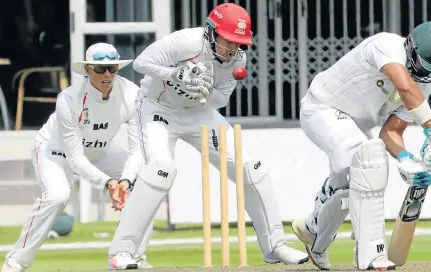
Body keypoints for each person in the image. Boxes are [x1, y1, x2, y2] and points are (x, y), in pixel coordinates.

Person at [106, 3, 309, 270]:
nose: (233, 49)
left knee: (252, 169)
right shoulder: (185, 41)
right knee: (160, 171)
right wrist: (174, 75)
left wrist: (200, 90)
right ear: (211, 32)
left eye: (239, 43)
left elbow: (220, 100)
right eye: (229, 41)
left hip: (200, 112)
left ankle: (275, 246)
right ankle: (121, 252)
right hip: (158, 108)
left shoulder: (238, 59)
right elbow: (142, 62)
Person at [291, 21, 431, 270]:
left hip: (356, 126)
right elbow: (403, 85)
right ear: (410, 47)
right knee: (368, 160)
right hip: (322, 107)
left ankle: (313, 231)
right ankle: (372, 254)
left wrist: (407, 159)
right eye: (423, 64)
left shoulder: (424, 84)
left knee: (358, 175)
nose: (426, 75)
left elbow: (390, 132)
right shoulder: (386, 45)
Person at [1, 43, 153, 272]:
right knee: (58, 196)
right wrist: (108, 183)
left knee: (147, 182)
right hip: (54, 151)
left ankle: (128, 256)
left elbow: (138, 149)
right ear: (88, 70)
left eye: (112, 68)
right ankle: (15, 262)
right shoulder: (69, 100)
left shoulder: (131, 94)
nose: (107, 74)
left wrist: (126, 180)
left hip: (99, 151)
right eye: (100, 69)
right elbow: (75, 159)